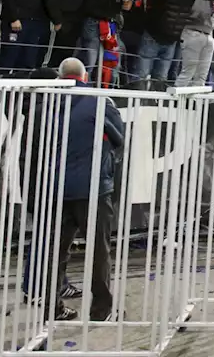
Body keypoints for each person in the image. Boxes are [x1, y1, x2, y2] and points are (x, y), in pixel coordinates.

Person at [47, 57, 126, 320]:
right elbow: (119, 136)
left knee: (55, 251)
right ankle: (100, 311)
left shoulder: (47, 100)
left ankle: (52, 308)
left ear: (60, 76)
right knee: (98, 251)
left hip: (56, 186)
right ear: (85, 76)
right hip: (93, 187)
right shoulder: (97, 100)